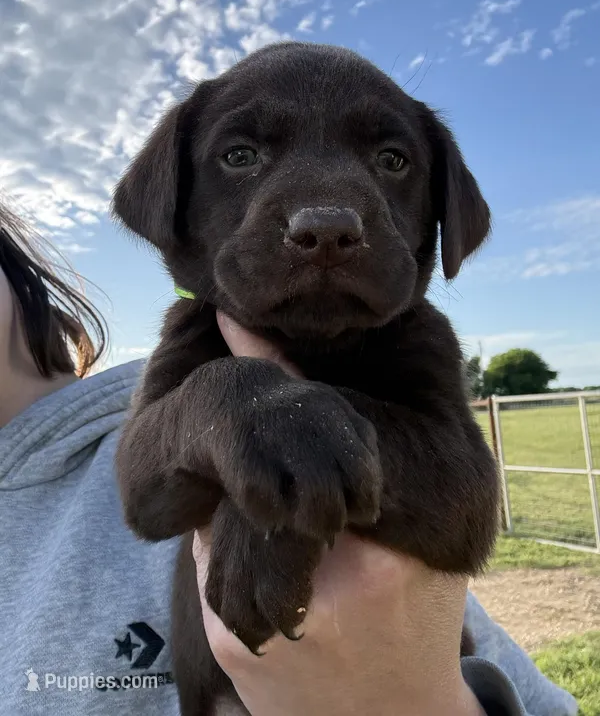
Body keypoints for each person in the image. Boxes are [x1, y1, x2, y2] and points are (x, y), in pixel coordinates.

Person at [0, 198, 578, 716]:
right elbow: (149, 503)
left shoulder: (393, 333)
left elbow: (461, 508)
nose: (326, 213)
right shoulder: (190, 366)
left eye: (393, 160)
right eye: (240, 154)